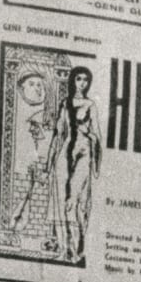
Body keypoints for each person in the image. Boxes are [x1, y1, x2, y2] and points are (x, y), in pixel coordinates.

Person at [46, 64, 102, 263]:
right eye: (79, 79)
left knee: (75, 202)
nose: (82, 83)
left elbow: (97, 135)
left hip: (83, 153)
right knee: (62, 202)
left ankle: (77, 251)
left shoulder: (91, 105)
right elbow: (58, 134)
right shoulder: (65, 103)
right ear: (73, 81)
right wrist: (49, 161)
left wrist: (96, 163)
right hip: (64, 155)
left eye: (86, 80)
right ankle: (63, 250)